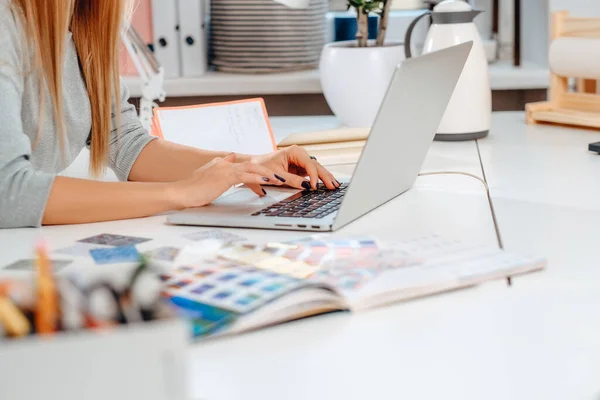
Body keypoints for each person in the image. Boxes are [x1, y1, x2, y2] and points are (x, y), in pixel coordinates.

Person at [0, 0, 339, 229]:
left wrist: (249, 167)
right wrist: (179, 194)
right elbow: (8, 192)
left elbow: (124, 142)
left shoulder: (84, 21)